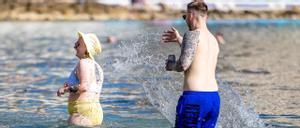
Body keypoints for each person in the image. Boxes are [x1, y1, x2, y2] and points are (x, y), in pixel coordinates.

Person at [162, 1, 220, 128]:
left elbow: (183, 64)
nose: (186, 20)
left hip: (194, 99)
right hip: (213, 99)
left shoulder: (192, 34)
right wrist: (179, 39)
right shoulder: (213, 40)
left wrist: (171, 65)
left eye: (185, 16)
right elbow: (197, 54)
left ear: (191, 15)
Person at [57, 31, 104, 127]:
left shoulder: (83, 63)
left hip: (83, 113)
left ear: (86, 48)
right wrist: (68, 86)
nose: (74, 47)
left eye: (78, 44)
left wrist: (66, 89)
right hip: (91, 112)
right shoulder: (94, 66)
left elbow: (84, 86)